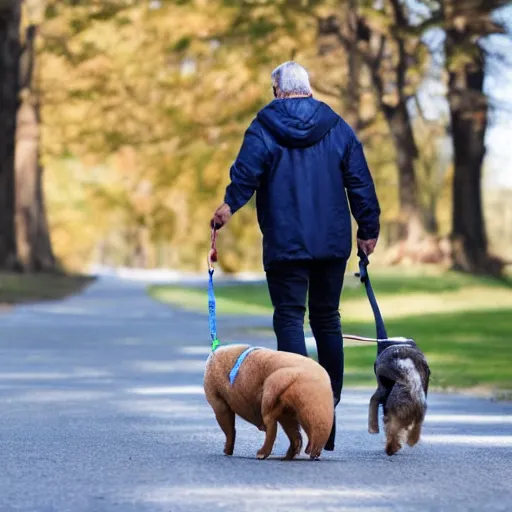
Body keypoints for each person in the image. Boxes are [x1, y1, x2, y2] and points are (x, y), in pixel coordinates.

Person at [210, 61, 380, 451]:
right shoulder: (337, 126)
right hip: (332, 244)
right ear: (308, 87)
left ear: (277, 91)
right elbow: (359, 181)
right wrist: (368, 229)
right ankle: (326, 415)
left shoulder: (264, 126)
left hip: (285, 244)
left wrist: (228, 206)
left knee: (289, 317)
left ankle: (295, 411)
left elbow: (246, 174)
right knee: (327, 319)